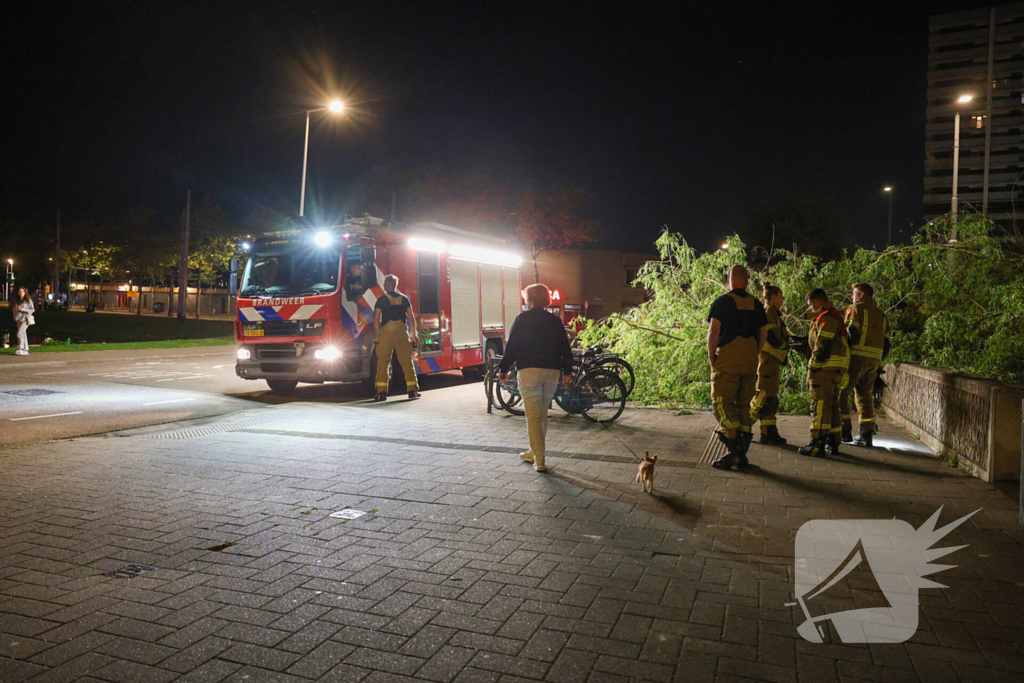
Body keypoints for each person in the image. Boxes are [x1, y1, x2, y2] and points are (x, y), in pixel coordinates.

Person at [498, 284, 574, 473]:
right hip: (551, 372)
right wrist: (568, 371)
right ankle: (534, 451)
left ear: (530, 299)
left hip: (529, 370)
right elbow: (565, 347)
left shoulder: (522, 320)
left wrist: (503, 369)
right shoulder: (555, 321)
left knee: (533, 417)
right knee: (541, 415)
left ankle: (539, 460)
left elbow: (512, 347)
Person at [706, 265, 768, 470]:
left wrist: (712, 357)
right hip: (750, 358)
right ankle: (741, 454)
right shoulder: (757, 305)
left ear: (730, 280)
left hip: (728, 358)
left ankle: (734, 450)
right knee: (743, 405)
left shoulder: (723, 302)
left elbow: (714, 332)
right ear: (746, 281)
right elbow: (764, 335)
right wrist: (755, 353)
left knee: (722, 403)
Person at [799, 289, 850, 458]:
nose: (810, 309)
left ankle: (817, 444)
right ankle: (833, 440)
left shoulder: (826, 318)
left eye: (811, 305)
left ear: (817, 302)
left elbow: (823, 347)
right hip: (834, 369)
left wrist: (812, 366)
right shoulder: (833, 316)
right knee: (832, 404)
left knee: (820, 404)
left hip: (825, 369)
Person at [840, 283, 890, 447]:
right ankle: (866, 434)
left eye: (854, 293)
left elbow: (851, 333)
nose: (852, 296)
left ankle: (843, 430)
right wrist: (879, 362)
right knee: (865, 396)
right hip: (874, 360)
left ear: (861, 294)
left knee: (841, 392)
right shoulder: (881, 315)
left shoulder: (855, 308)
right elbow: (887, 343)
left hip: (857, 357)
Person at [750, 284, 789, 446]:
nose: (782, 299)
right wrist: (783, 349)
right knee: (763, 397)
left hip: (771, 363)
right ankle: (742, 426)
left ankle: (769, 432)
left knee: (771, 399)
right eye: (781, 296)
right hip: (766, 363)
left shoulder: (773, 313)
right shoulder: (769, 313)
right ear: (773, 297)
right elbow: (772, 337)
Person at [373, 275, 420, 401]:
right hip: (401, 331)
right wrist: (413, 335)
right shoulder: (404, 299)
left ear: (385, 286)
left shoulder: (381, 300)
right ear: (396, 285)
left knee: (383, 362)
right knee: (406, 361)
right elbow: (411, 317)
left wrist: (377, 336)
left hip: (387, 332)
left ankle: (381, 392)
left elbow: (376, 319)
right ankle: (412, 391)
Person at [13, 287, 35, 356]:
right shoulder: (18, 300)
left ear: (25, 292)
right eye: (20, 291)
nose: (21, 293)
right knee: (23, 334)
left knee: (19, 333)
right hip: (19, 319)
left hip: (26, 319)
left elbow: (32, 310)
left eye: (22, 291)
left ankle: (21, 348)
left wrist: (24, 309)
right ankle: (26, 349)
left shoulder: (28, 300)